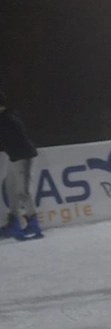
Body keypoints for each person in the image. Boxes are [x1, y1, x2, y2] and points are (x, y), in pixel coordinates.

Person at [0, 92, 41, 241]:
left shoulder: (8, 118)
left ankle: (33, 223)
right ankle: (14, 223)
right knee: (11, 190)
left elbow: (15, 137)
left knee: (23, 191)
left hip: (24, 156)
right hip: (14, 157)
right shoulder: (6, 118)